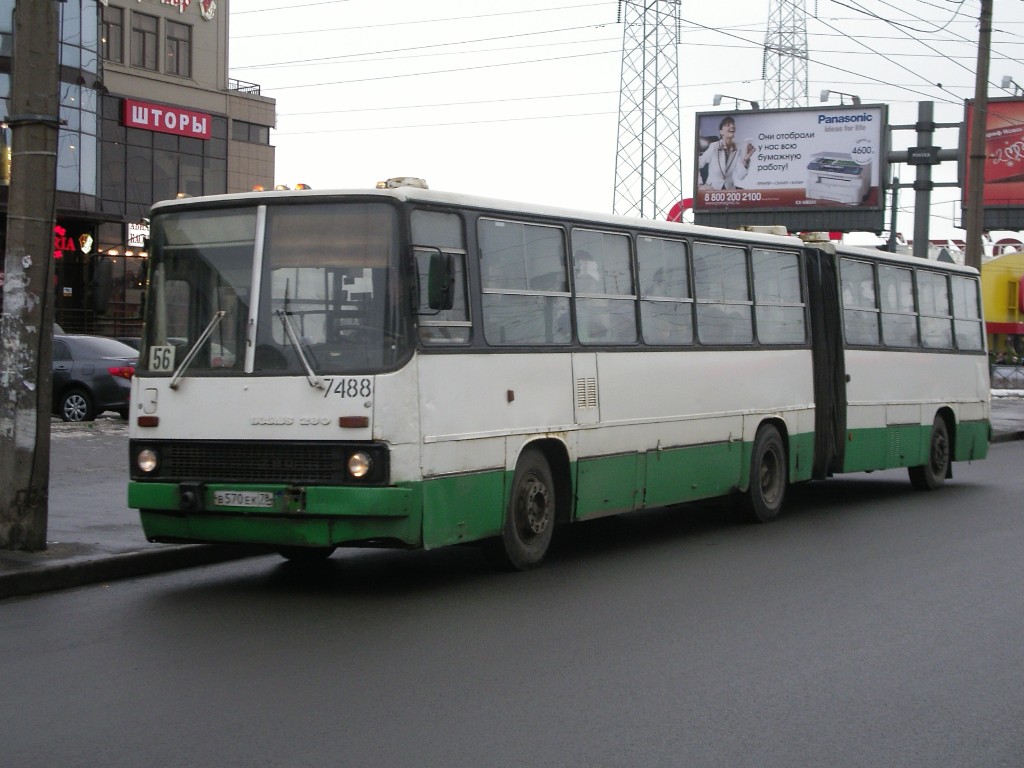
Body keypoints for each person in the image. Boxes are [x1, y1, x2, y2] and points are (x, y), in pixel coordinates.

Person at [697, 116, 754, 190]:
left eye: (733, 125)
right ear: (721, 132)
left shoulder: (738, 148)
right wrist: (700, 185)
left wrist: (746, 160)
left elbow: (741, 175)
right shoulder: (714, 146)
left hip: (729, 191)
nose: (732, 126)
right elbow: (697, 163)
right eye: (728, 125)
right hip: (712, 190)